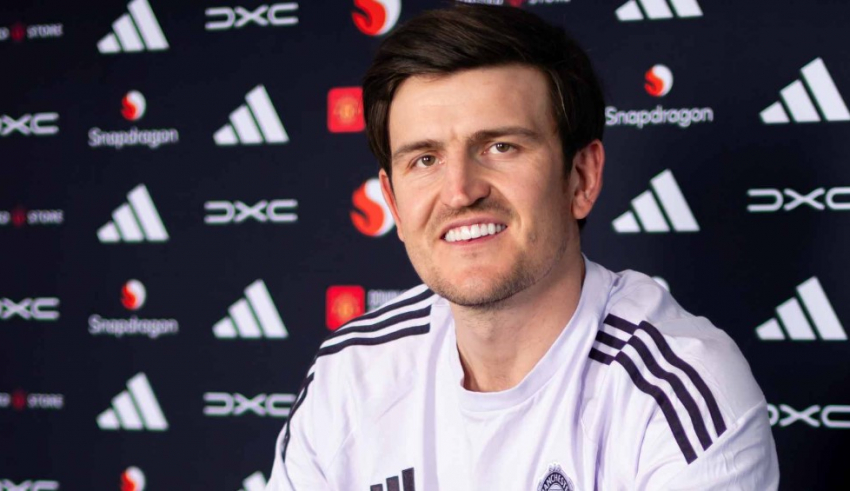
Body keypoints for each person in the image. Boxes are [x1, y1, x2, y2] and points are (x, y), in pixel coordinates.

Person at [267, 4, 779, 490]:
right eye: (425, 159)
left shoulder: (679, 389)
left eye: (500, 147)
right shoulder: (351, 372)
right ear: (394, 205)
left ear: (581, 178)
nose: (460, 191)